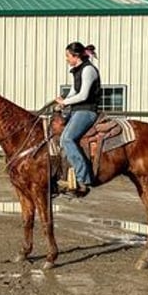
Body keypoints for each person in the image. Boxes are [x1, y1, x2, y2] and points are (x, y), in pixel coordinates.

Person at [55, 41, 101, 196]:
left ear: (75, 56)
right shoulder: (77, 70)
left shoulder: (88, 70)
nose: (66, 59)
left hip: (87, 111)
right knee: (57, 135)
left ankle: (83, 179)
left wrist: (65, 102)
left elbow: (83, 95)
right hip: (76, 110)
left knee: (67, 138)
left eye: (68, 56)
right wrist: (62, 103)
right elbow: (74, 91)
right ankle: (65, 176)